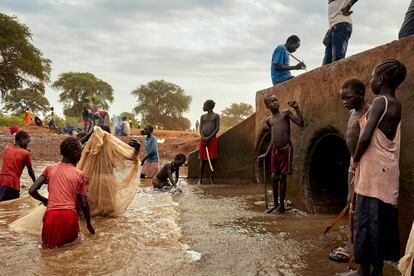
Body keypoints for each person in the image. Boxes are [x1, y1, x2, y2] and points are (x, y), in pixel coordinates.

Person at [337, 59, 407, 276]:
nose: (371, 82)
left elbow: (366, 136)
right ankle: (371, 270)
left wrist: (355, 161)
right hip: (384, 176)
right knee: (377, 225)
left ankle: (365, 272)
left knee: (368, 224)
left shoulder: (380, 102)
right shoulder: (395, 103)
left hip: (373, 176)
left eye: (372, 78)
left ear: (380, 79)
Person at [28, 137, 95, 249]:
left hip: (51, 216)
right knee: (71, 250)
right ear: (75, 153)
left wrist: (45, 200)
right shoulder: (79, 174)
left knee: (48, 251)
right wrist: (88, 224)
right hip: (69, 216)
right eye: (80, 151)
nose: (81, 154)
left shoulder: (49, 169)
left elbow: (32, 190)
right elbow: (84, 203)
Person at [329, 79, 369, 263]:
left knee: (359, 206)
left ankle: (356, 246)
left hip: (363, 165)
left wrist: (358, 164)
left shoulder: (368, 113)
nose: (345, 101)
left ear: (361, 94)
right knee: (350, 202)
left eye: (348, 98)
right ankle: (352, 242)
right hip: (353, 164)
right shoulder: (353, 112)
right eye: (342, 99)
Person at [257, 96, 304, 213]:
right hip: (275, 150)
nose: (275, 103)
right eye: (271, 102)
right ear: (267, 106)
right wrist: (266, 153)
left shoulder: (286, 113)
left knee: (282, 177)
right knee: (273, 177)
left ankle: (282, 206)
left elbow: (300, 123)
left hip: (286, 149)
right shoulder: (269, 120)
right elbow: (273, 137)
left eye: (276, 100)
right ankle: (276, 204)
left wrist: (296, 108)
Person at [0, 131, 36, 201]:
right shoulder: (26, 153)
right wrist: (35, 182)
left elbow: (15, 151)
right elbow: (30, 170)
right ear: (22, 139)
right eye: (27, 142)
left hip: (1, 180)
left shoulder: (7, 148)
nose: (27, 145)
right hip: (12, 183)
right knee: (12, 207)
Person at [323, 0, 359, 65]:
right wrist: (329, 31)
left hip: (341, 24)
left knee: (337, 61)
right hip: (334, 27)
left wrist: (349, 5)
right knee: (326, 64)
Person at [198, 99, 220, 184]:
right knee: (202, 159)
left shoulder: (216, 116)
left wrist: (209, 137)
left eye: (204, 105)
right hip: (203, 139)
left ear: (209, 106)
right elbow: (200, 128)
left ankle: (211, 178)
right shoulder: (202, 117)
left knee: (212, 159)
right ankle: (200, 179)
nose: (203, 107)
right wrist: (203, 137)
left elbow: (217, 128)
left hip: (212, 139)